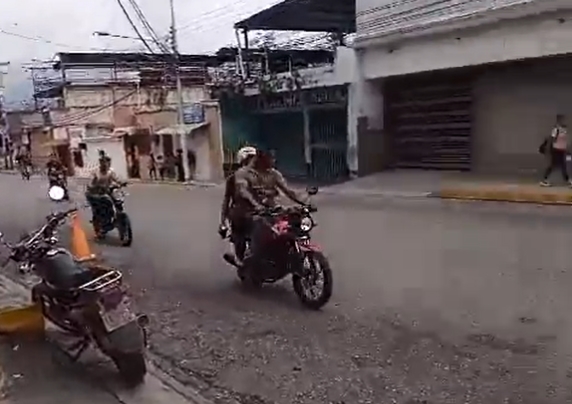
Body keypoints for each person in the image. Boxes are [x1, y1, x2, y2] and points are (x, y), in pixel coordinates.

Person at [233, 149, 311, 265]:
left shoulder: (274, 174)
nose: (273, 161)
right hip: (249, 211)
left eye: (273, 158)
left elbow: (288, 191)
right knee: (258, 227)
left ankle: (284, 252)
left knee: (290, 224)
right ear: (260, 160)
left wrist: (305, 202)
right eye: (270, 158)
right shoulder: (244, 173)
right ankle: (252, 259)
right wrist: (256, 205)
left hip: (270, 209)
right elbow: (243, 191)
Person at [219, 146, 257, 264]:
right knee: (239, 239)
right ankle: (240, 261)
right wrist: (222, 221)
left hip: (260, 214)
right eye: (249, 160)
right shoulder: (232, 179)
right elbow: (227, 200)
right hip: (240, 216)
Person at [85, 156, 125, 229]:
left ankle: (117, 217)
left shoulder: (110, 172)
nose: (106, 164)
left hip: (106, 192)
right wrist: (94, 186)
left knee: (117, 201)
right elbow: (90, 183)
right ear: (101, 163)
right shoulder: (95, 172)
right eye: (104, 162)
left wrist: (122, 183)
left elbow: (116, 179)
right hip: (94, 193)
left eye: (108, 162)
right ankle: (99, 225)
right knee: (99, 208)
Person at [540, 114, 571, 187]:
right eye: (562, 119)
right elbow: (552, 139)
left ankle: (545, 179)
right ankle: (567, 180)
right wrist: (549, 150)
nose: (564, 121)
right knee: (558, 165)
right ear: (559, 120)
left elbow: (565, 141)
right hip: (556, 150)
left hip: (562, 150)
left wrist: (566, 149)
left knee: (559, 165)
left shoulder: (564, 130)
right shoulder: (556, 129)